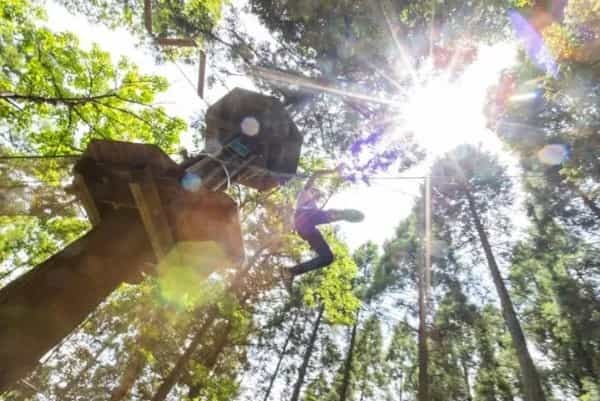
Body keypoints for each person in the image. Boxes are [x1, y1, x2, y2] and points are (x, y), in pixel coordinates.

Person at [281, 166, 363, 290]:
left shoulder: (315, 207)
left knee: (327, 257)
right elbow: (316, 173)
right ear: (312, 190)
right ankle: (344, 214)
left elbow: (322, 215)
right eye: (316, 192)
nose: (317, 196)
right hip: (303, 217)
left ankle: (290, 272)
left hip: (307, 229)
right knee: (323, 213)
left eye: (318, 195)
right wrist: (334, 171)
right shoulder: (305, 192)